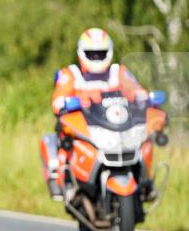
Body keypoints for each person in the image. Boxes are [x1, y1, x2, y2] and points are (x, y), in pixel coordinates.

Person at [44, 27, 148, 197]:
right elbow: (58, 98)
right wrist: (66, 102)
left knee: (145, 140)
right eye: (92, 54)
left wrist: (142, 96)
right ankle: (64, 181)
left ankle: (145, 183)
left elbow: (135, 89)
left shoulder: (118, 72)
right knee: (64, 142)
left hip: (115, 127)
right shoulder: (71, 74)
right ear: (82, 53)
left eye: (100, 53)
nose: (96, 58)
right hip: (85, 130)